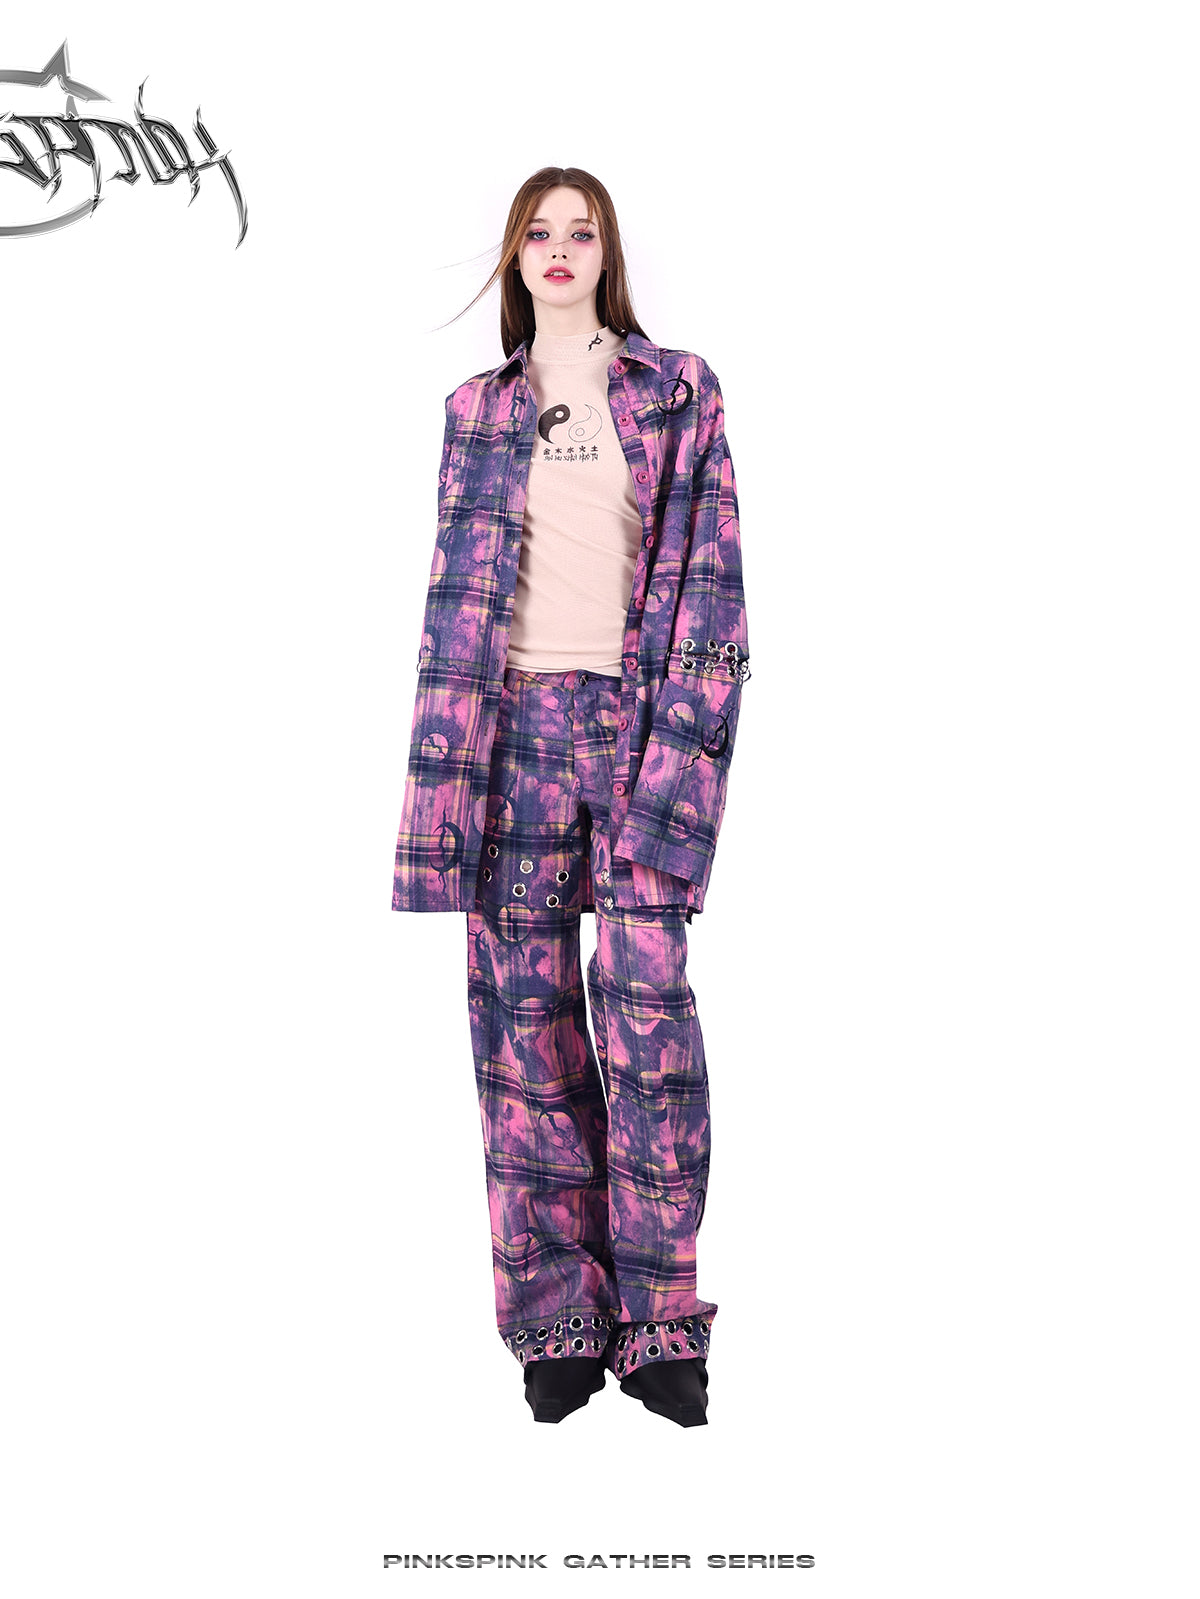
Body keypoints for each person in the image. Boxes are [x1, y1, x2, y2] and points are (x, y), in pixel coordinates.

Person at [392, 167, 750, 1427]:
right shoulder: (475, 410)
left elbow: (713, 589)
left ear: (608, 253)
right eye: (537, 233)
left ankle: (660, 1324)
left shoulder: (678, 391)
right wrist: (442, 778)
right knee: (524, 1026)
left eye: (580, 231)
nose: (558, 249)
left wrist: (682, 760)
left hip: (634, 724)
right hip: (507, 739)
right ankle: (558, 1322)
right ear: (513, 256)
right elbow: (455, 606)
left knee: (649, 1018)